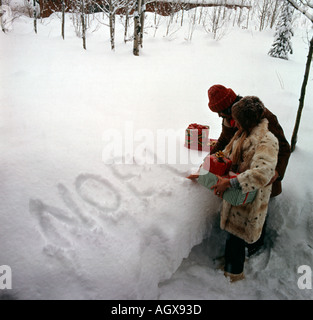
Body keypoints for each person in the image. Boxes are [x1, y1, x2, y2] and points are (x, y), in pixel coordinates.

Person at [207, 85, 291, 258]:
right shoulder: (231, 117)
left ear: (229, 106)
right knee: (240, 214)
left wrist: (276, 173)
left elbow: (283, 147)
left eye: (220, 112)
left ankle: (255, 246)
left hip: (263, 177)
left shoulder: (262, 118)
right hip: (242, 175)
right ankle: (239, 249)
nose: (219, 116)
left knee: (258, 212)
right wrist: (211, 159)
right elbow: (225, 138)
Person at [211, 96, 279, 282]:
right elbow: (226, 153)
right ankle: (232, 263)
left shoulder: (266, 140)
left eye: (238, 120)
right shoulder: (242, 133)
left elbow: (263, 172)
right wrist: (209, 168)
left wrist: (230, 183)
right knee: (233, 235)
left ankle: (233, 275)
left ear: (246, 121)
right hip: (238, 195)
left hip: (250, 198)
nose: (235, 124)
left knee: (237, 237)